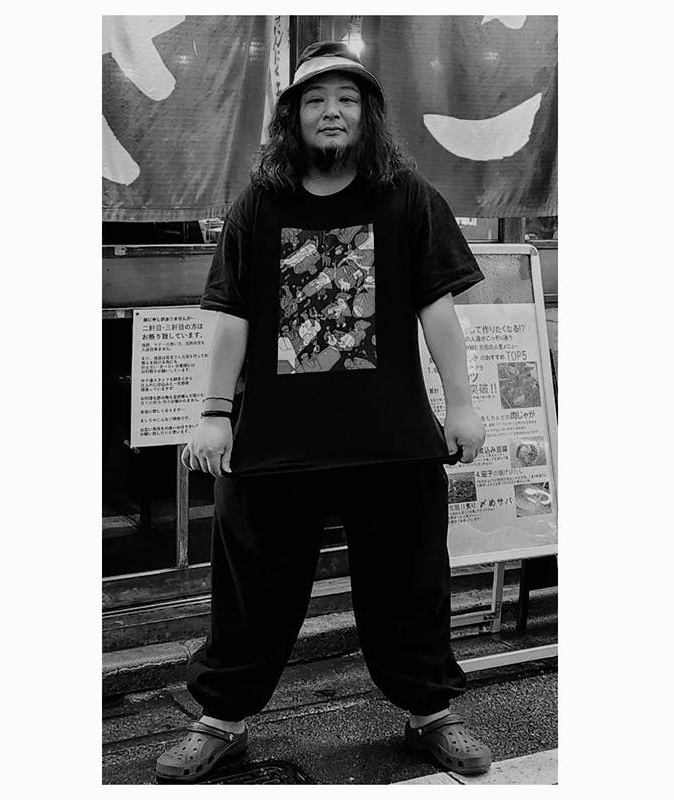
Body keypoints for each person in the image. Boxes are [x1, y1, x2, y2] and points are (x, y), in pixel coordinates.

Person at [155, 40, 491, 783]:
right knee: (250, 592)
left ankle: (431, 712)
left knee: (411, 586)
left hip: (392, 437)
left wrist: (461, 404)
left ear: (368, 115)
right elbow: (232, 315)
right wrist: (213, 411)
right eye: (314, 100)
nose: (330, 111)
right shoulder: (259, 203)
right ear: (292, 117)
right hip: (277, 439)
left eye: (345, 99)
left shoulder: (406, 196)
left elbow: (437, 308)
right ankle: (221, 720)